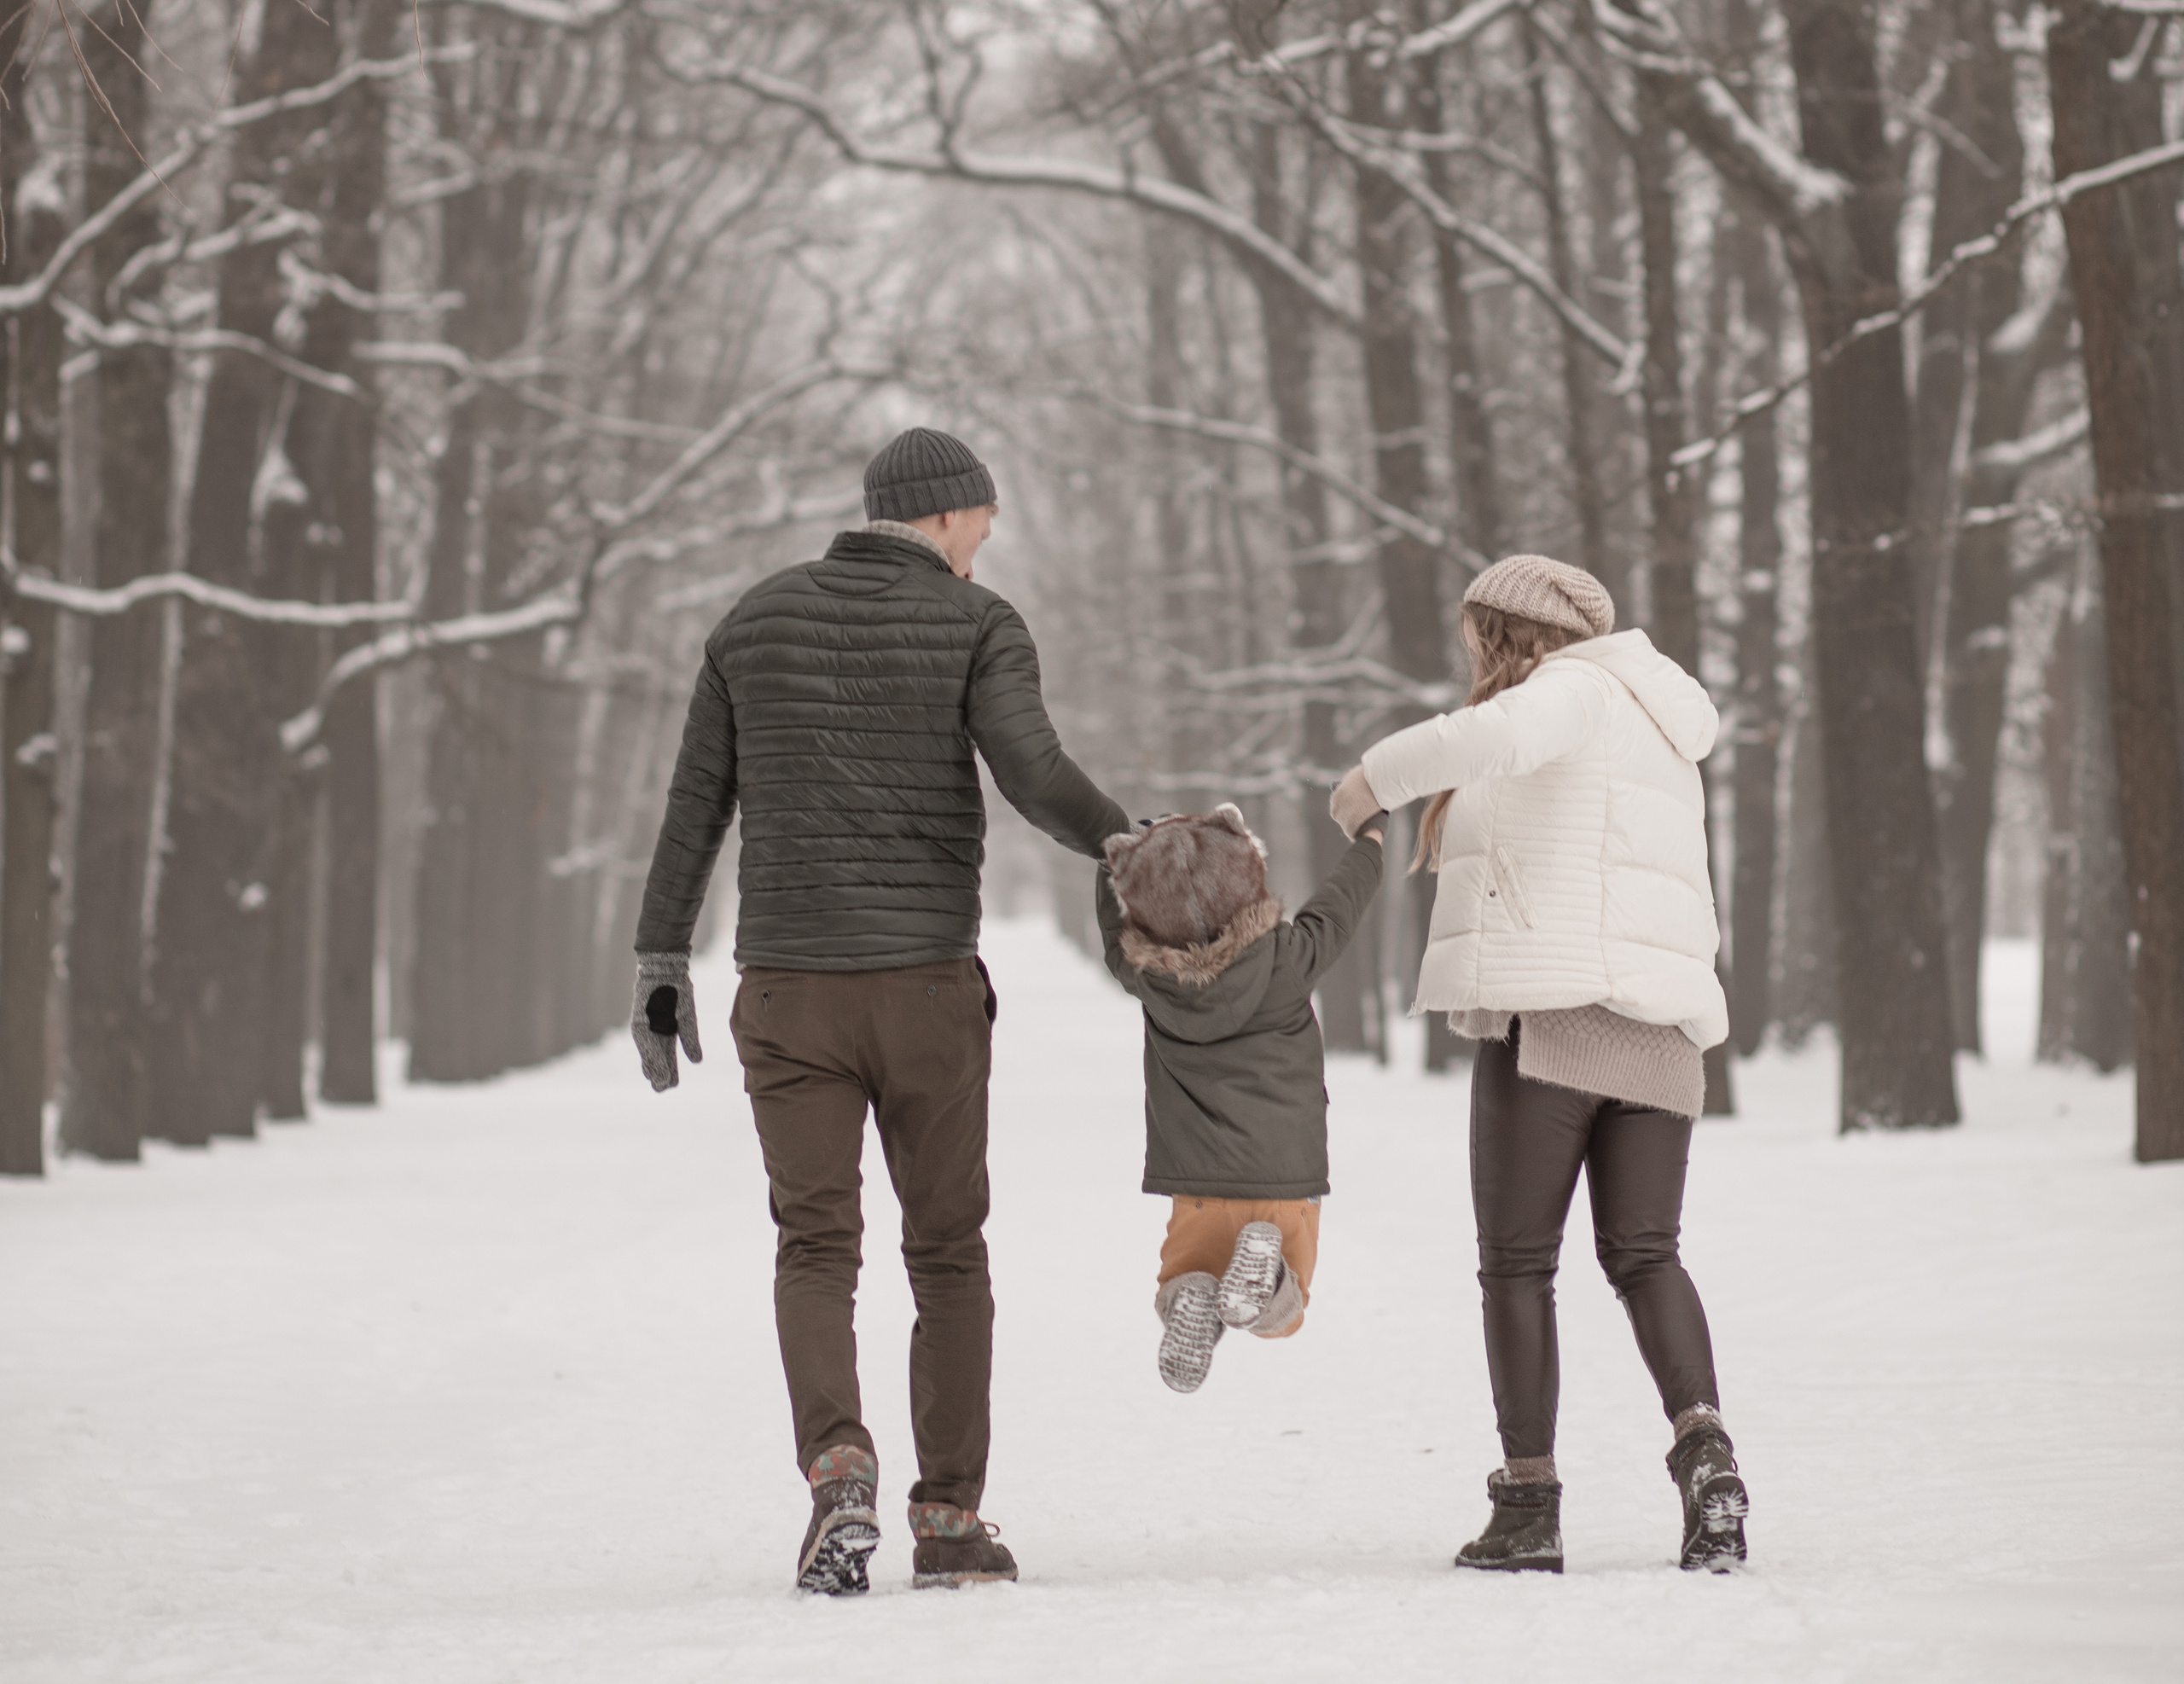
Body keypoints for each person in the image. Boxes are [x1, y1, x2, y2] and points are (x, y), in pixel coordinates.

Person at [630, 427, 1130, 1595]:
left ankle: (838, 1469)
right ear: (946, 516)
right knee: (946, 1250)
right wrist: (1130, 835)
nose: (985, 543)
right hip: (925, 991)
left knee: (817, 1242)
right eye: (982, 523)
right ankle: (950, 1518)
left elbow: (695, 803)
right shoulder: (980, 621)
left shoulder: (752, 620)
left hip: (790, 990)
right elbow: (1033, 768)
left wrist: (662, 958)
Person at [1328, 553, 1749, 1575]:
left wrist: (1367, 784)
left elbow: (1493, 736)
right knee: (1645, 1254)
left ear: (1509, 629)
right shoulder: (1654, 712)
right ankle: (1707, 1458)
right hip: (1658, 1026)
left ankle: (1528, 1504)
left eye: (1478, 632)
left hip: (1556, 1017)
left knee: (1516, 1264)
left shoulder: (1568, 690)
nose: (1471, 651)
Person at [1096, 803, 1384, 1393]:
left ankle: (1195, 1298)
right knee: (1288, 1310)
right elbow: (1341, 902)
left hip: (1197, 1182)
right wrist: (1371, 841)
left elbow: (1111, 934)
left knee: (1184, 1273)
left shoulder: (1152, 980)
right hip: (1283, 1176)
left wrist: (1124, 859)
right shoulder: (1288, 959)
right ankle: (1268, 1278)